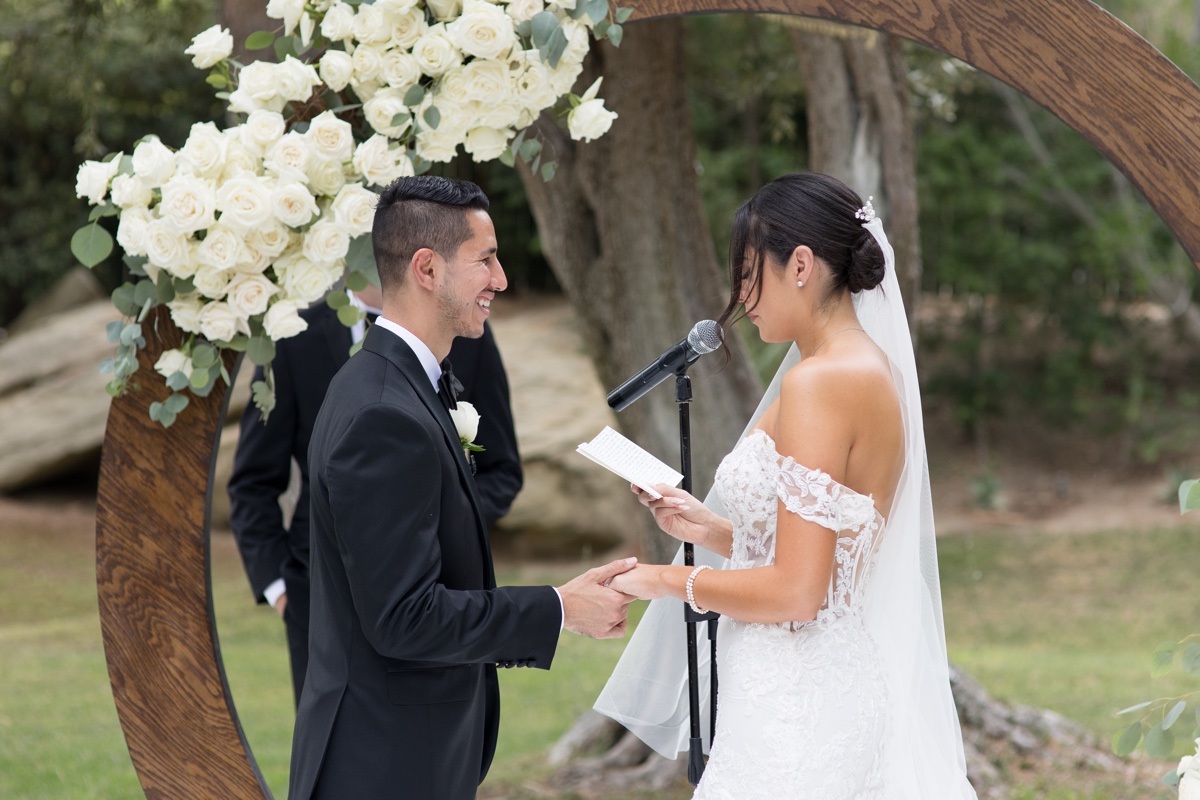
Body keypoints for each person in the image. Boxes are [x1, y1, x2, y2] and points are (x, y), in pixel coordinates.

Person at [596, 173, 976, 797]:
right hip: (809, 686)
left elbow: (800, 594)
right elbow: (829, 550)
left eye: (748, 273)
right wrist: (710, 529)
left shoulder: (820, 383)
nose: (741, 296)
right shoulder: (861, 366)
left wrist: (663, 581)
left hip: (797, 705)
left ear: (800, 264)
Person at [288, 175, 636, 800]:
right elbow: (403, 618)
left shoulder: (393, 384)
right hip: (383, 766)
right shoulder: (382, 415)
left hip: (407, 752)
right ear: (427, 268)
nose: (500, 279)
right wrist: (559, 609)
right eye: (485, 259)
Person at [227, 278, 524, 705]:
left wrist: (440, 527)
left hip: (442, 599)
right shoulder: (293, 336)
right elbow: (253, 481)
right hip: (319, 601)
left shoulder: (464, 331)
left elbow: (501, 471)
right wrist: (281, 591)